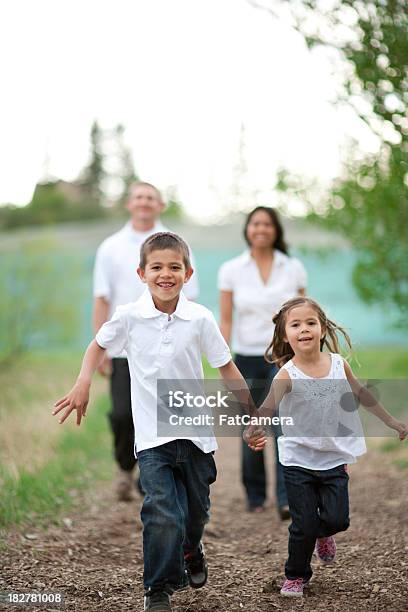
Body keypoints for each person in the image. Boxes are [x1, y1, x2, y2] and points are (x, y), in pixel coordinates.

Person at [53, 232, 256, 612]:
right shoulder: (129, 316)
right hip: (151, 438)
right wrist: (83, 381)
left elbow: (226, 367)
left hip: (196, 437)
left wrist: (251, 414)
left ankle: (192, 549)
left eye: (174, 267)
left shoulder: (199, 317)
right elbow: (97, 344)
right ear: (141, 273)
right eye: (157, 267)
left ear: (188, 273)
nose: (166, 274)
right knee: (162, 510)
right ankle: (157, 589)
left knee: (195, 515)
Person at [244, 296, 408, 598]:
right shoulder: (286, 374)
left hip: (333, 458)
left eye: (310, 322)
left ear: (322, 328)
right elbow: (266, 409)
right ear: (285, 335)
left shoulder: (337, 365)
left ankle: (324, 536)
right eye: (296, 325)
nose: (304, 329)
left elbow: (362, 395)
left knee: (337, 520)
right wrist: (251, 430)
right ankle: (295, 576)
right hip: (297, 460)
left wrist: (393, 422)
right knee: (303, 524)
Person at [93, 182, 199, 501]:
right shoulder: (110, 247)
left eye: (150, 198)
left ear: (160, 205)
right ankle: (126, 467)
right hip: (123, 348)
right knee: (124, 414)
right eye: (138, 197)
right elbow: (101, 298)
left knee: (162, 414)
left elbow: (189, 297)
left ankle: (151, 477)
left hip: (166, 346)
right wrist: (100, 348)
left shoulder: (178, 243)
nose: (144, 203)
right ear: (129, 204)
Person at [218, 206, 307, 518]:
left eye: (267, 224)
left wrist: (306, 356)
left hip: (283, 357)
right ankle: (255, 495)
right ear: (247, 229)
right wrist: (223, 357)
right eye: (255, 223)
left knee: (284, 425)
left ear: (275, 230)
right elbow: (226, 318)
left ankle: (286, 498)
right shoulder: (231, 269)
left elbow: (303, 316)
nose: (261, 229)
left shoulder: (292, 267)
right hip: (245, 357)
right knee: (253, 424)